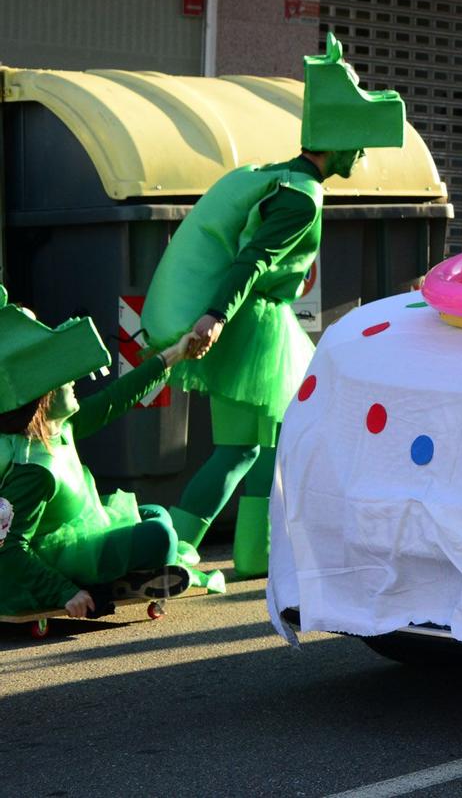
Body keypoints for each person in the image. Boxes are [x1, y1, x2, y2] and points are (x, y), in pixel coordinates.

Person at [144, 33, 405, 580]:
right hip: (252, 331)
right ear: (334, 141)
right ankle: (180, 548)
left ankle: (243, 554)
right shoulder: (300, 196)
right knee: (243, 449)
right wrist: (215, 316)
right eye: (358, 142)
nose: (361, 153)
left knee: (259, 448)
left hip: (252, 328)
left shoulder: (276, 175)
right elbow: (253, 261)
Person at [1, 285, 193, 618]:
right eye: (64, 378)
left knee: (156, 515)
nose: (74, 381)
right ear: (42, 398)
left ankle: (133, 576)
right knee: (160, 536)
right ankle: (115, 583)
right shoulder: (32, 468)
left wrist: (174, 354)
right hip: (53, 561)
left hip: (80, 534)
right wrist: (65, 591)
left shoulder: (60, 426)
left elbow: (116, 399)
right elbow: (9, 549)